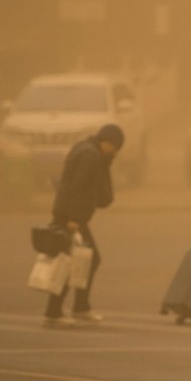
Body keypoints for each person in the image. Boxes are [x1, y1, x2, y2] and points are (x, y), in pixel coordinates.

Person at [43, 124, 124, 328]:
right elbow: (80, 188)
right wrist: (75, 220)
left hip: (68, 213)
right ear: (108, 143)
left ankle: (79, 306)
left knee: (80, 259)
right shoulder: (92, 157)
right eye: (115, 148)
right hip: (71, 216)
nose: (114, 153)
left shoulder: (84, 148)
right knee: (76, 261)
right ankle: (56, 310)